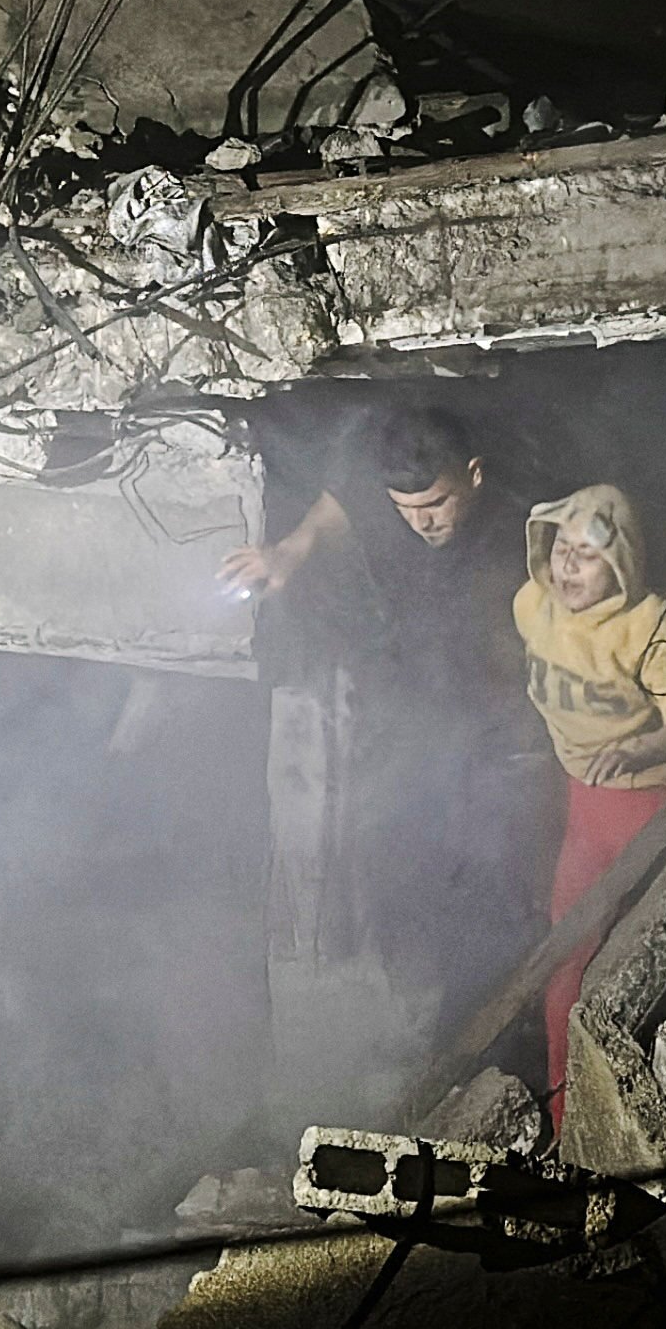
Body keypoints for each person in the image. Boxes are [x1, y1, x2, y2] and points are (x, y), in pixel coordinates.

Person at [220, 405, 546, 1014]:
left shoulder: (522, 527)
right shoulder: (390, 509)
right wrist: (290, 551)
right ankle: (417, 1018)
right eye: (407, 508)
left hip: (492, 741)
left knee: (493, 891)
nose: (423, 521)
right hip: (407, 728)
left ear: (474, 474)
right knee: (403, 880)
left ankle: (497, 1015)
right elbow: (341, 502)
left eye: (437, 504)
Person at [515, 484, 666, 1132]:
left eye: (589, 555)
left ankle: (647, 1118)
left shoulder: (654, 623)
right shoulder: (532, 606)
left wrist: (639, 749)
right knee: (567, 960)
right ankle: (565, 1118)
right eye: (562, 550)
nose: (569, 566)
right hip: (585, 807)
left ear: (623, 563)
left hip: (650, 807)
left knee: (649, 957)